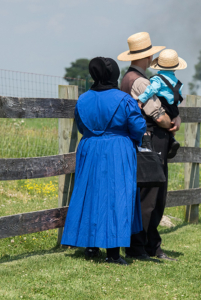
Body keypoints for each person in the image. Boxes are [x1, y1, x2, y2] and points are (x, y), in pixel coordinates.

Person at [60, 57, 147, 265]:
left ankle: (90, 247)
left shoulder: (82, 99)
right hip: (118, 148)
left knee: (90, 194)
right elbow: (138, 127)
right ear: (114, 74)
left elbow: (81, 126)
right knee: (117, 196)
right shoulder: (124, 99)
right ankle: (113, 254)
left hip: (89, 148)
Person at [118, 32, 180, 261]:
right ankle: (141, 247)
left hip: (145, 139)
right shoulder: (141, 81)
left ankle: (149, 245)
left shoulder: (128, 78)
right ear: (149, 55)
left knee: (148, 192)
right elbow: (158, 114)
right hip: (152, 139)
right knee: (152, 194)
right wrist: (171, 123)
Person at [137, 49, 187, 158]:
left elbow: (151, 90)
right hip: (174, 108)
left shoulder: (157, 79)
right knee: (171, 126)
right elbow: (179, 96)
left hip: (163, 105)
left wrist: (141, 99)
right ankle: (172, 139)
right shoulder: (177, 80)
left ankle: (169, 140)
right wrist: (175, 112)